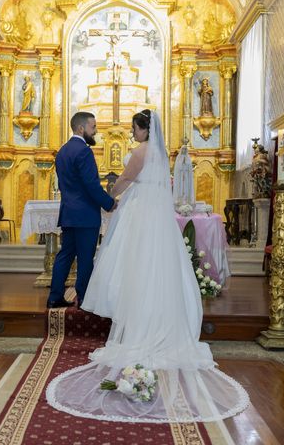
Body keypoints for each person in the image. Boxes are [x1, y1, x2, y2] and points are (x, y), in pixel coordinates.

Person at [46, 109, 249, 423]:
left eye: (134, 128)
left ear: (144, 129)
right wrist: (106, 200)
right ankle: (151, 309)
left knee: (124, 259)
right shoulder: (158, 153)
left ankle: (109, 309)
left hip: (132, 211)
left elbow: (126, 179)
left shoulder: (131, 151)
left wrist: (111, 198)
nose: (131, 133)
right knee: (150, 263)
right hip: (151, 214)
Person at [46, 112, 116, 309]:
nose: (96, 131)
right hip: (85, 215)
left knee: (65, 255)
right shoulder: (84, 152)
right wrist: (109, 203)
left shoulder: (62, 151)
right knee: (85, 258)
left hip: (69, 212)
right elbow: (92, 185)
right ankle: (85, 299)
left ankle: (54, 297)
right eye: (93, 127)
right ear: (81, 128)